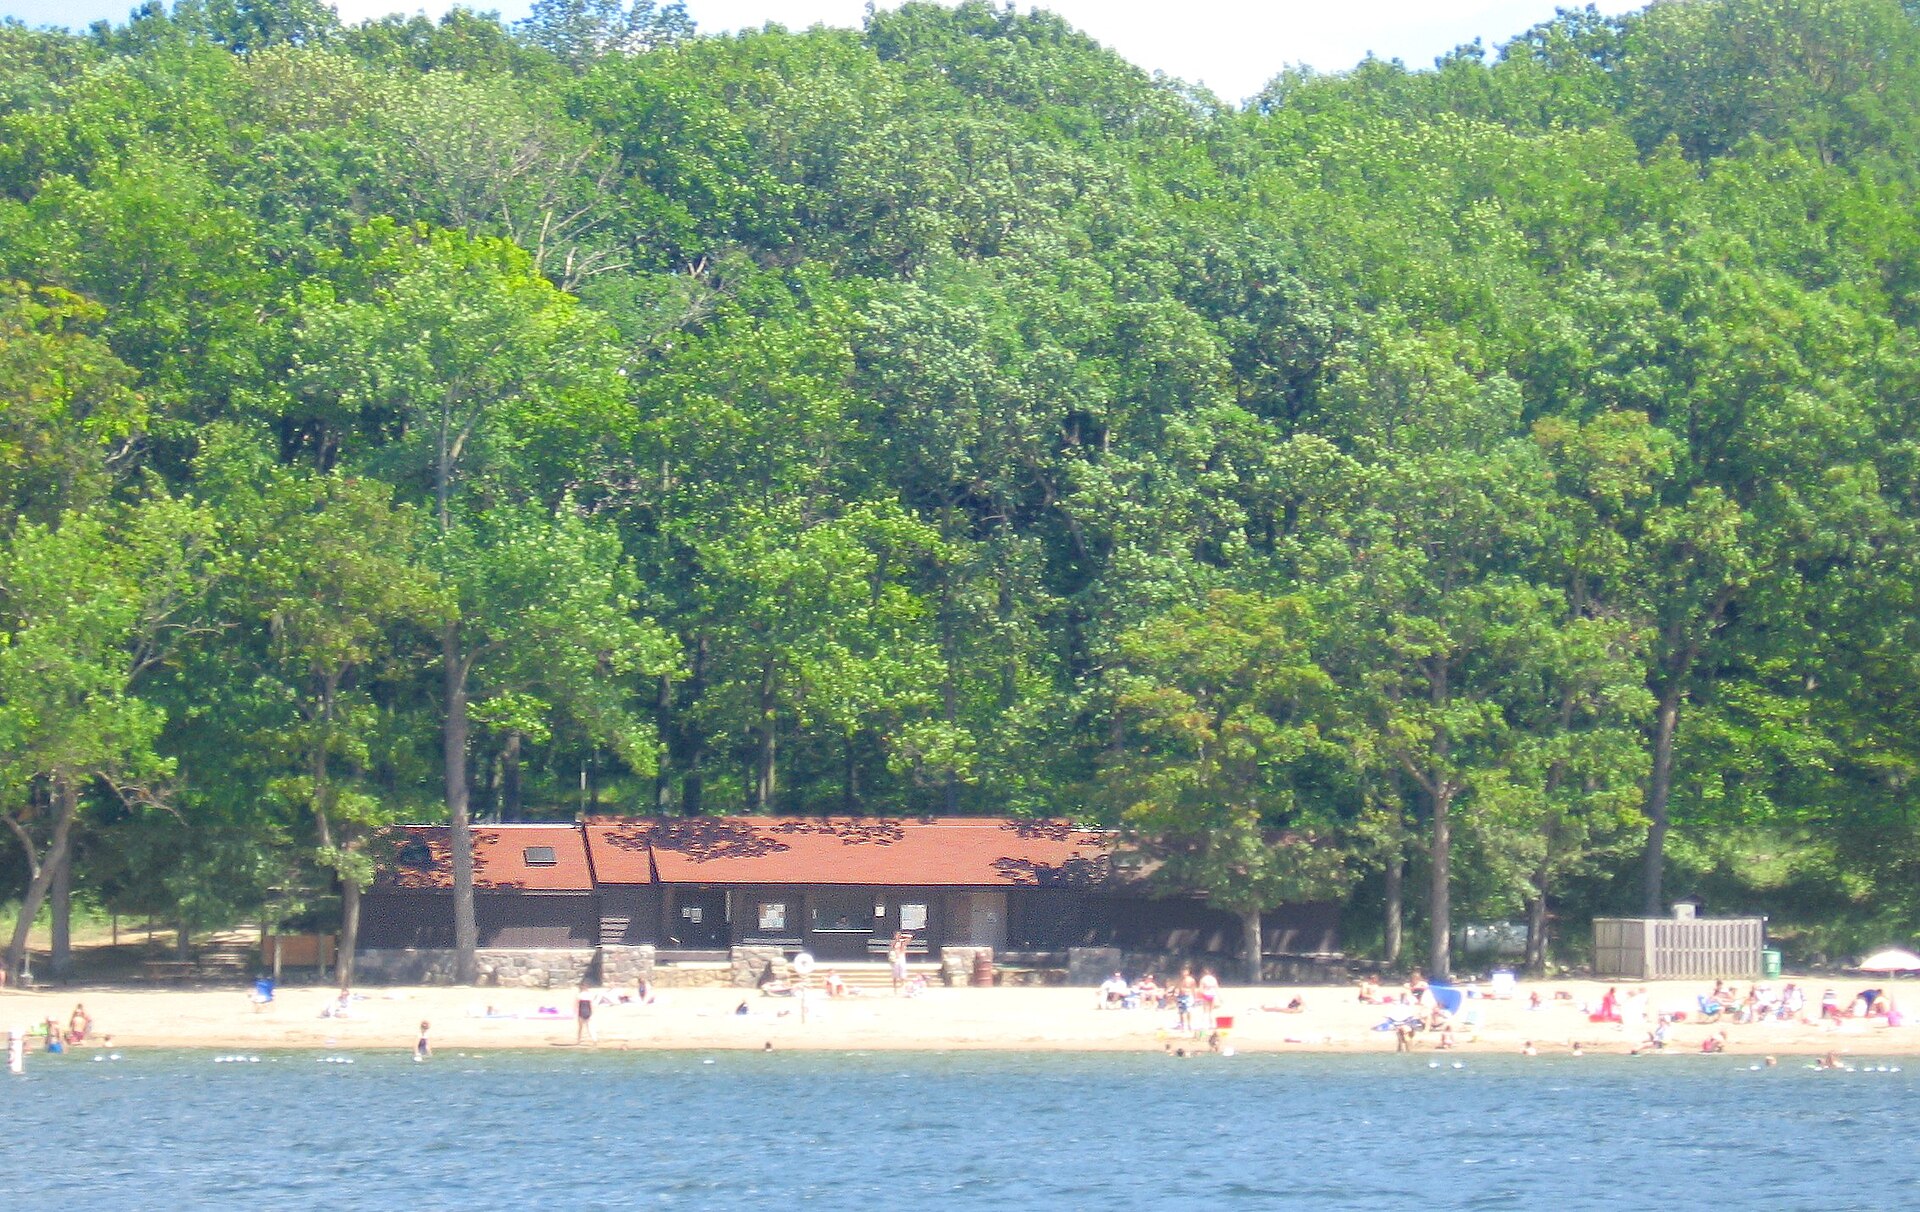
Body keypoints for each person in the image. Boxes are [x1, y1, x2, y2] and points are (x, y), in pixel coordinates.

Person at [575, 980, 597, 1044]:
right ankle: (594, 1039)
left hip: (581, 1011)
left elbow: (577, 1005)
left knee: (580, 1027)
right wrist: (592, 1012)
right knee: (590, 1026)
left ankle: (578, 1040)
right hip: (588, 1011)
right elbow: (591, 1005)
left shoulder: (579, 995)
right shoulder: (590, 995)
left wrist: (576, 1012)